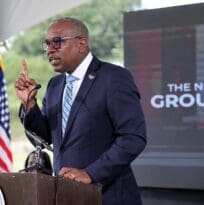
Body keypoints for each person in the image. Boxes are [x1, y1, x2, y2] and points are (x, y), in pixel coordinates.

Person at [15, 17, 146, 205]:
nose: (50, 50)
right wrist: (29, 104)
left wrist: (91, 173)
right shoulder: (54, 85)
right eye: (47, 44)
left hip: (108, 196)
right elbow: (45, 138)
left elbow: (133, 137)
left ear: (81, 44)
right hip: (66, 196)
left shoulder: (114, 78)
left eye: (57, 42)